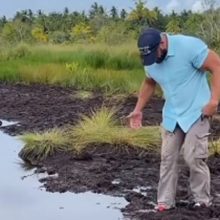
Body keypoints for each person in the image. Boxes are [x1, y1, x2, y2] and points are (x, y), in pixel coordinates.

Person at [127, 28, 220, 212]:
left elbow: (216, 65)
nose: (153, 59)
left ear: (162, 43)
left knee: (193, 157)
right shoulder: (150, 59)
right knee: (167, 159)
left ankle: (202, 201)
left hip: (197, 111)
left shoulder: (188, 46)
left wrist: (214, 100)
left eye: (155, 54)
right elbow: (149, 82)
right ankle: (165, 202)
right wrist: (138, 109)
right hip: (172, 115)